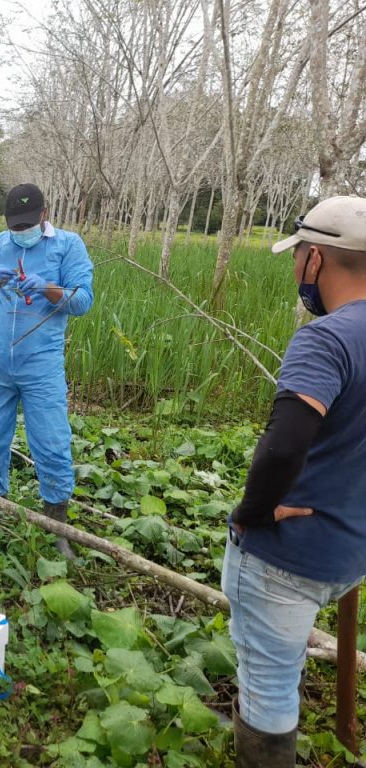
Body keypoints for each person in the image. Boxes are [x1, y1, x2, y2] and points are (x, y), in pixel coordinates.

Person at [222, 195, 366, 767]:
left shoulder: (326, 339)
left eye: (299, 255)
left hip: (289, 558)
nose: (296, 268)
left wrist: (254, 512)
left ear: (315, 261)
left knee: (269, 689)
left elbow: (283, 445)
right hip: (350, 550)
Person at [0, 183, 94, 558]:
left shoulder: (68, 245)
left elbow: (82, 300)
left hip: (41, 364)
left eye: (27, 225)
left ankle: (57, 523)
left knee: (51, 440)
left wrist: (48, 288)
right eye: (15, 226)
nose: (21, 233)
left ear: (44, 214)